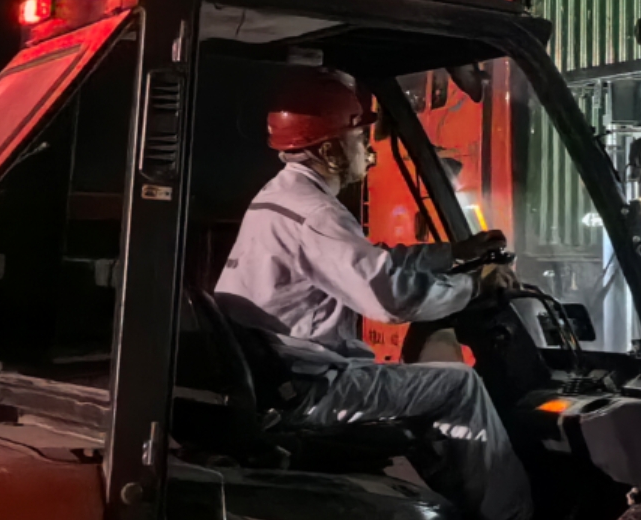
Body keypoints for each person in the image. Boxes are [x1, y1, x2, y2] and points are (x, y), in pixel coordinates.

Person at [214, 70, 533, 520]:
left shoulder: (279, 198)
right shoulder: (316, 213)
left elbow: (370, 262)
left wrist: (452, 254)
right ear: (327, 150)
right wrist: (476, 284)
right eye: (358, 137)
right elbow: (389, 299)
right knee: (459, 383)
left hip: (285, 374)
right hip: (313, 387)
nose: (368, 149)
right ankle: (512, 515)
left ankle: (453, 492)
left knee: (427, 385)